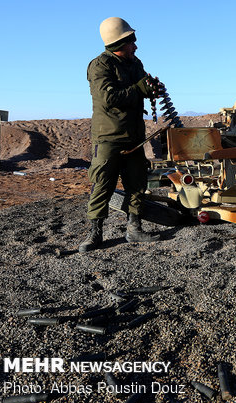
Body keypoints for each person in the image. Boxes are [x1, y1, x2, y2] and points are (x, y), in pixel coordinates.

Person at [79, 17, 161, 253]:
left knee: (137, 183)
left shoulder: (135, 63)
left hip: (134, 136)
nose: (135, 46)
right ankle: (95, 233)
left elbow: (142, 85)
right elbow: (109, 98)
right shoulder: (100, 65)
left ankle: (134, 228)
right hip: (109, 138)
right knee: (102, 184)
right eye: (131, 41)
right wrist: (138, 89)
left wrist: (151, 87)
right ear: (119, 42)